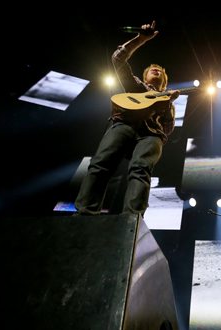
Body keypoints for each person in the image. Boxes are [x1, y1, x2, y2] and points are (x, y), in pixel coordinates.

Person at [74, 20, 179, 217]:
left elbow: (168, 128)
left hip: (151, 135)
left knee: (141, 169)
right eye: (152, 69)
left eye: (160, 71)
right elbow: (117, 59)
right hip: (123, 124)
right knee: (100, 163)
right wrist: (141, 39)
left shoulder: (169, 101)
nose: (156, 70)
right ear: (145, 77)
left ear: (164, 82)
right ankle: (85, 214)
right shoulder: (136, 86)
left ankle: (132, 220)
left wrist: (164, 104)